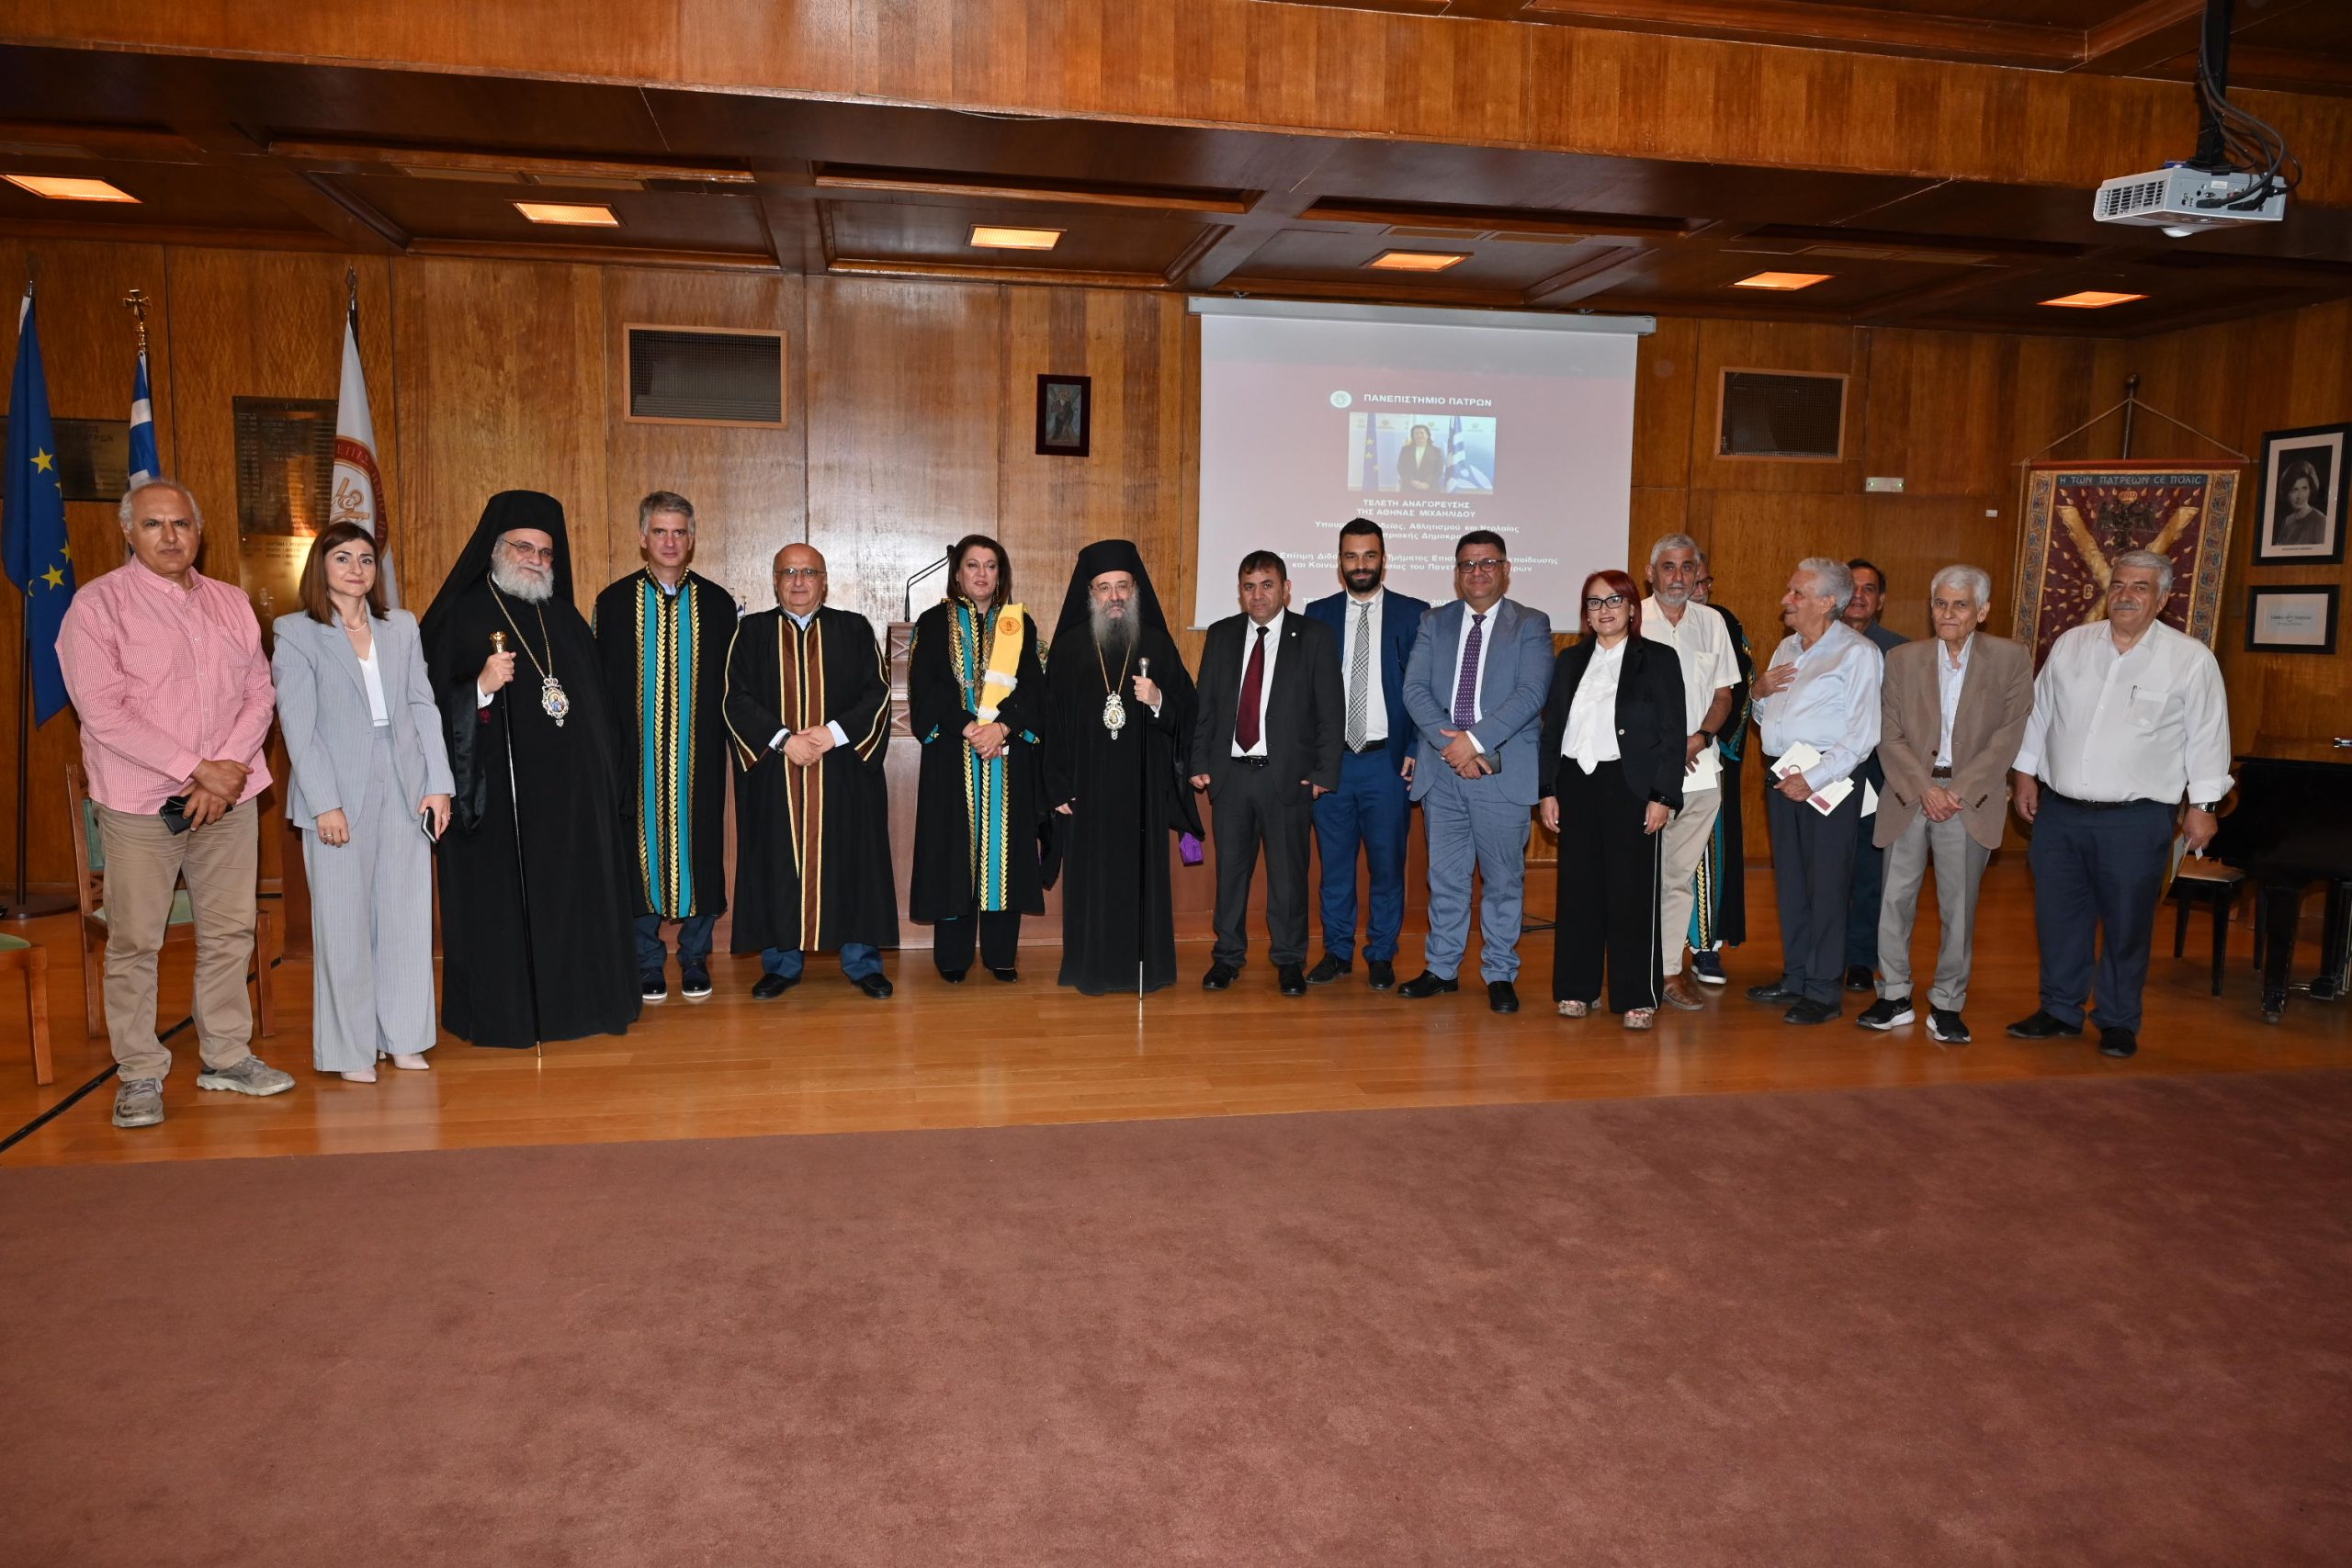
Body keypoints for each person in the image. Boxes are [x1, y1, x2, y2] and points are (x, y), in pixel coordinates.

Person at [57, 479, 296, 1128]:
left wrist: (223, 773)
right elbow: (104, 712)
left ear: (199, 532)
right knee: (136, 939)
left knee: (230, 931)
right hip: (140, 804)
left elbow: (260, 692)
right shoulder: (96, 606)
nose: (170, 536)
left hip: (228, 799)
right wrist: (196, 769)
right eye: (154, 524)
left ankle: (226, 1055)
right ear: (128, 532)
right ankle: (139, 1072)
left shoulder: (230, 601)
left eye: (181, 524)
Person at [421, 491, 641, 1049]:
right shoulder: (460, 615)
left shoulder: (563, 619)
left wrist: (608, 785)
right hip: (500, 804)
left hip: (573, 808)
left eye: (545, 552)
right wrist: (479, 688)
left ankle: (582, 1004)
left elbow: (601, 710)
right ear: (496, 549)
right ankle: (511, 1014)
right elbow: (423, 708)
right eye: (524, 547)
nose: (535, 560)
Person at [2008, 549, 2232, 1059]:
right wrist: (2024, 774)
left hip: (2136, 819)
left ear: (2163, 598)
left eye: (2140, 587)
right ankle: (2059, 1009)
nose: (2126, 595)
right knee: (2059, 916)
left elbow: (2208, 736)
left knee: (2128, 924)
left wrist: (2203, 806)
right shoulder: (2071, 644)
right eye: (2119, 585)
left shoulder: (2190, 659)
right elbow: (2040, 714)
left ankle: (2117, 1019)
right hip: (2060, 813)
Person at [272, 523, 453, 1081]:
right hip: (335, 788)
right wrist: (324, 803)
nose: (357, 569)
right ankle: (350, 1050)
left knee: (405, 917)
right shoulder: (296, 631)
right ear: (321, 567)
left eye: (367, 559)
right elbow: (299, 727)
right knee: (343, 924)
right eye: (343, 558)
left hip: (404, 782)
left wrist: (439, 783)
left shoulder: (401, 626)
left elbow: (423, 705)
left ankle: (404, 1037)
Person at [1860, 565, 2033, 1045]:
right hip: (1909, 794)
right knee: (1894, 901)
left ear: (1983, 610)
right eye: (1940, 603)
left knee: (1959, 907)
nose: (1948, 614)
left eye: (1960, 604)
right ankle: (1894, 995)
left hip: (1968, 800)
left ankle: (1947, 1003)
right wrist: (1925, 789)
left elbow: (2010, 734)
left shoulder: (2011, 658)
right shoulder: (1903, 659)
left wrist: (1956, 792)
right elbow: (1888, 733)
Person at [724, 543, 898, 999]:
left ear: (824, 581)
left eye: (808, 572)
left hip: (843, 773)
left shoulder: (854, 628)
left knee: (854, 862)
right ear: (774, 580)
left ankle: (862, 963)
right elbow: (734, 698)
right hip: (776, 774)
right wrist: (785, 739)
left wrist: (832, 734)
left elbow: (878, 693)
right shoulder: (751, 632)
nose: (798, 582)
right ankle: (782, 964)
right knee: (777, 864)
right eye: (788, 573)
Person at [1398, 530, 1554, 1013]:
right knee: (1445, 878)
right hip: (1443, 773)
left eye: (1487, 563)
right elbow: (1414, 690)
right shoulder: (1434, 621)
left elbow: (1531, 694)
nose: (1478, 572)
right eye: (1467, 564)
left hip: (1501, 775)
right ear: (1457, 573)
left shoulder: (1531, 624)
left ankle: (1500, 972)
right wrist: (1454, 747)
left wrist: (1475, 742)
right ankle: (1442, 969)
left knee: (1503, 881)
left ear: (1506, 569)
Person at [594, 491, 735, 1004]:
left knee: (700, 851)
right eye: (660, 531)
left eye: (679, 532)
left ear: (692, 539)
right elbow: (598, 685)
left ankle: (695, 957)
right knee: (637, 855)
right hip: (636, 759)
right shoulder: (613, 603)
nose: (670, 542)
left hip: (700, 757)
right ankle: (647, 960)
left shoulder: (717, 604)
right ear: (642, 537)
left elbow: (734, 686)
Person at [1044, 539, 1199, 996]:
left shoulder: (1155, 643)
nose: (1114, 596)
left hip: (1142, 789)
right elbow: (1050, 723)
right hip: (1085, 789)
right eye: (1104, 587)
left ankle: (1145, 969)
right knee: (1091, 881)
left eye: (1123, 586)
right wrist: (1056, 785)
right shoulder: (1069, 648)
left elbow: (1188, 711)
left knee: (1139, 879)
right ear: (1089, 593)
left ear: (1135, 590)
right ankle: (1090, 969)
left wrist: (1159, 700)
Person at [1189, 550, 1344, 996]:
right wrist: (1199, 761)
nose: (1258, 595)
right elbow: (1206, 705)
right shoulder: (1222, 635)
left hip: (1288, 778)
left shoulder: (1313, 636)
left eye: (1267, 585)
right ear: (1240, 592)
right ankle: (1227, 957)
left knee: (1289, 878)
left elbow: (1330, 711)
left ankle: (1290, 960)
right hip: (1232, 777)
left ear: (1286, 588)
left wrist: (1324, 772)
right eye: (1249, 587)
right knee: (1231, 874)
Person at [1537, 570, 1685, 1030]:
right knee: (1578, 891)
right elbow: (1552, 730)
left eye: (1614, 600)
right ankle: (1576, 988)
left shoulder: (1657, 659)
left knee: (1631, 894)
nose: (1604, 610)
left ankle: (1637, 995)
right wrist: (1548, 790)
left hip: (1631, 787)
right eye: (1594, 602)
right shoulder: (1570, 659)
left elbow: (1672, 734)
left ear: (1632, 608)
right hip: (1576, 785)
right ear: (1585, 613)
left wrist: (1662, 796)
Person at [1746, 558, 1883, 1024]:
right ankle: (1797, 976)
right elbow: (1770, 721)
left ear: (1827, 602)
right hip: (1783, 774)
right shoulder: (1786, 647)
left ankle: (1823, 990)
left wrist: (1816, 777)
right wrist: (1759, 693)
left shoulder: (1858, 653)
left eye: (1797, 593)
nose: (1786, 600)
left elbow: (1863, 734)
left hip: (1830, 781)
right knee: (1791, 881)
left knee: (1826, 885)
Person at [909, 535, 1047, 982]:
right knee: (953, 854)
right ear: (958, 573)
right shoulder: (933, 622)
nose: (982, 574)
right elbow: (926, 688)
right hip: (953, 756)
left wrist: (1003, 727)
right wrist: (969, 727)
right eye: (973, 565)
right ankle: (953, 957)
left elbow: (1035, 688)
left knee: (1003, 856)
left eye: (991, 566)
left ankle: (1001, 954)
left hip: (1008, 759)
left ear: (1001, 574)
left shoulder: (1018, 624)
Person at [1304, 519, 1429, 989]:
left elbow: (1425, 690)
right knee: (1334, 867)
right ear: (1339, 562)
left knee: (1387, 867)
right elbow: (1304, 694)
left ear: (1383, 559)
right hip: (1333, 763)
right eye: (1351, 556)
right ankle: (1337, 952)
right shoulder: (1317, 614)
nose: (1361, 565)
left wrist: (1416, 747)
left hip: (1387, 764)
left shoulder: (1414, 614)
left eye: (1369, 555)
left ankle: (1381, 953)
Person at [1638, 534, 1738, 1012]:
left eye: (1686, 567)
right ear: (1650, 573)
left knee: (1677, 878)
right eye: (1668, 567)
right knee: (1635, 876)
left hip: (1699, 774)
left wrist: (1699, 737)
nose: (1677, 577)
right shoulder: (1630, 617)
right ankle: (1629, 969)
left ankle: (1668, 971)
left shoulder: (1712, 622)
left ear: (1698, 573)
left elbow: (1724, 696)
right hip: (1640, 776)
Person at [1839, 558, 1907, 993]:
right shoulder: (1813, 643)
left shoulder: (1901, 652)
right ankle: (1820, 955)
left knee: (1868, 871)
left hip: (1879, 777)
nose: (1859, 596)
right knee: (1823, 871)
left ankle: (1861, 958)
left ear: (1880, 600)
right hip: (1824, 775)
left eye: (1869, 589)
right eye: (1852, 587)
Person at [1686, 553, 1753, 985]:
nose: (1698, 589)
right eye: (1688, 579)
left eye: (1703, 581)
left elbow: (1742, 688)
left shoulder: (1722, 623)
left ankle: (1705, 946)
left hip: (1707, 757)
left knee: (1707, 855)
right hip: (1649, 758)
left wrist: (1711, 741)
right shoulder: (1641, 619)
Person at [2272, 459, 2328, 548]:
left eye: (2304, 488)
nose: (2300, 496)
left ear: (2310, 490)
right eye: (2294, 490)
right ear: (2287, 493)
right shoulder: (2287, 521)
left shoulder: (2321, 521)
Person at [1395, 424, 1444, 492]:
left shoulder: (1436, 451)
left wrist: (1427, 484)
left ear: (1427, 435)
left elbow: (1438, 470)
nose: (1419, 435)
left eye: (1422, 433)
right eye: (1416, 433)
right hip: (1409, 488)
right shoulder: (1405, 450)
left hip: (1431, 489)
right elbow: (1401, 467)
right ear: (1413, 436)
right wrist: (1411, 481)